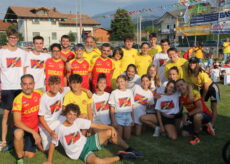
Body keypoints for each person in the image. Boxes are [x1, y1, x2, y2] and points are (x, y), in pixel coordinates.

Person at [43, 104, 141, 164]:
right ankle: (122, 156)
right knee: (98, 162)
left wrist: (110, 127)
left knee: (110, 132)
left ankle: (129, 149)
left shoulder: (77, 121)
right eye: (70, 114)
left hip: (87, 142)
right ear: (65, 114)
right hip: (80, 152)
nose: (72, 117)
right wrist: (49, 161)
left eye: (74, 114)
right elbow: (52, 144)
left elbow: (95, 124)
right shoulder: (59, 128)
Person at [0, 29, 27, 149]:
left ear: (18, 39)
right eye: (11, 37)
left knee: (19, 116)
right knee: (6, 115)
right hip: (7, 87)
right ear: (7, 38)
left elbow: (25, 70)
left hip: (19, 88)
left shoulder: (22, 53)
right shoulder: (1, 52)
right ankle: (4, 141)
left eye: (15, 38)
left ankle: (19, 138)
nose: (13, 40)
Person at [12, 74, 43, 163]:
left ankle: (16, 143)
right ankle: (20, 158)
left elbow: (51, 97)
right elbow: (17, 122)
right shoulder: (18, 99)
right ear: (21, 85)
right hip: (22, 127)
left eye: (30, 84)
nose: (28, 86)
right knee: (18, 133)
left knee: (30, 155)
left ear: (34, 84)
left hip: (34, 128)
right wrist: (34, 133)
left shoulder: (39, 94)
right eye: (25, 84)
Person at [176, 79, 215, 145]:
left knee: (197, 116)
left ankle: (196, 137)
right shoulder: (180, 97)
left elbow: (200, 108)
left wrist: (187, 114)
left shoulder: (194, 93)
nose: (180, 87)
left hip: (205, 114)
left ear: (186, 85)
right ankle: (204, 127)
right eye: (177, 86)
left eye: (181, 85)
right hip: (193, 115)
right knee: (184, 134)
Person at [186, 57, 220, 126]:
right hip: (202, 88)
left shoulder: (201, 72)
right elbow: (195, 85)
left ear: (197, 64)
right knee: (197, 105)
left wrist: (203, 98)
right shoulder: (190, 73)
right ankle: (200, 121)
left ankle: (211, 124)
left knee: (213, 106)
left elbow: (206, 86)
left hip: (212, 88)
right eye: (190, 62)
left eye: (194, 62)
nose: (192, 64)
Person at [38, 76, 67, 151]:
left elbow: (73, 88)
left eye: (57, 84)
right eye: (52, 84)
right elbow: (41, 118)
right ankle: (38, 141)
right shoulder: (44, 98)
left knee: (71, 118)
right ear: (49, 85)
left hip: (57, 120)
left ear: (60, 85)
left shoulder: (60, 93)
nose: (54, 87)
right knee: (47, 150)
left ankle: (62, 137)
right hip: (46, 125)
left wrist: (87, 91)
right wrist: (50, 132)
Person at [109, 75, 134, 140]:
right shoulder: (114, 93)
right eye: (118, 82)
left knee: (127, 138)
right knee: (119, 138)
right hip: (118, 116)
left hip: (128, 116)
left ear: (126, 82)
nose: (120, 83)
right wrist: (113, 121)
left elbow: (132, 107)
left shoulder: (130, 92)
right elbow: (112, 108)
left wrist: (132, 119)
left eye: (122, 81)